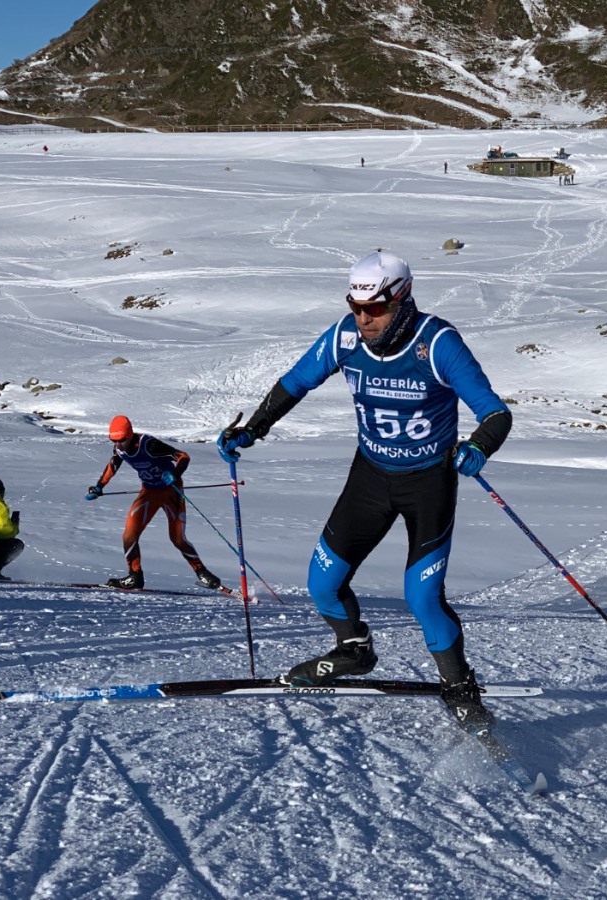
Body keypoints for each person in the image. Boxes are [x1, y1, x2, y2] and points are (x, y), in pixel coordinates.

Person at [216, 249, 512, 732]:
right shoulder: (345, 336)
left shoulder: (437, 343)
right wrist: (253, 428)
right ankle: (354, 649)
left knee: (422, 598)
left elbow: (496, 413)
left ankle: (460, 688)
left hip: (427, 484)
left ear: (401, 299)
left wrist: (479, 446)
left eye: (373, 308)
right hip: (371, 477)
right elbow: (296, 382)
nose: (362, 317)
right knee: (322, 584)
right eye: (356, 306)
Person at [84, 415, 222, 591]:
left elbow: (183, 456)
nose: (117, 444)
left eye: (121, 440)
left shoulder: (148, 445)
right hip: (149, 492)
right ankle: (135, 576)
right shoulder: (119, 448)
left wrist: (175, 474)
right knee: (129, 536)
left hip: (171, 491)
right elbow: (114, 464)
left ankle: (202, 572)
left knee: (178, 539)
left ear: (130, 435)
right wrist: (98, 487)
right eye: (114, 440)